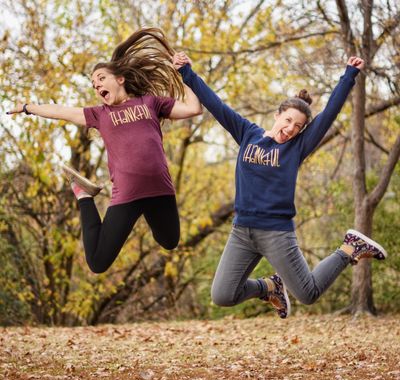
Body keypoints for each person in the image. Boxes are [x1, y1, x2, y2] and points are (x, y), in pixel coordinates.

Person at [172, 52, 387, 319]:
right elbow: (216, 105)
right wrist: (186, 73)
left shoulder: (297, 148)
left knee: (308, 294)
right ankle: (269, 287)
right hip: (241, 232)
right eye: (287, 121)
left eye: (297, 126)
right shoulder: (247, 132)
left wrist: (348, 76)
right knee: (223, 295)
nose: (290, 129)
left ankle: (349, 248)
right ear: (277, 115)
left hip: (276, 233)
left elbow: (329, 113)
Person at [7, 28, 202, 274]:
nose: (96, 85)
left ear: (119, 79)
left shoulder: (150, 102)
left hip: (159, 190)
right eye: (93, 83)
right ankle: (84, 195)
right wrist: (27, 107)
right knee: (98, 262)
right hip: (128, 194)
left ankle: (122, 204)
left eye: (100, 78)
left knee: (170, 241)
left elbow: (194, 108)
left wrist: (185, 73)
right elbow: (61, 111)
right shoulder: (100, 114)